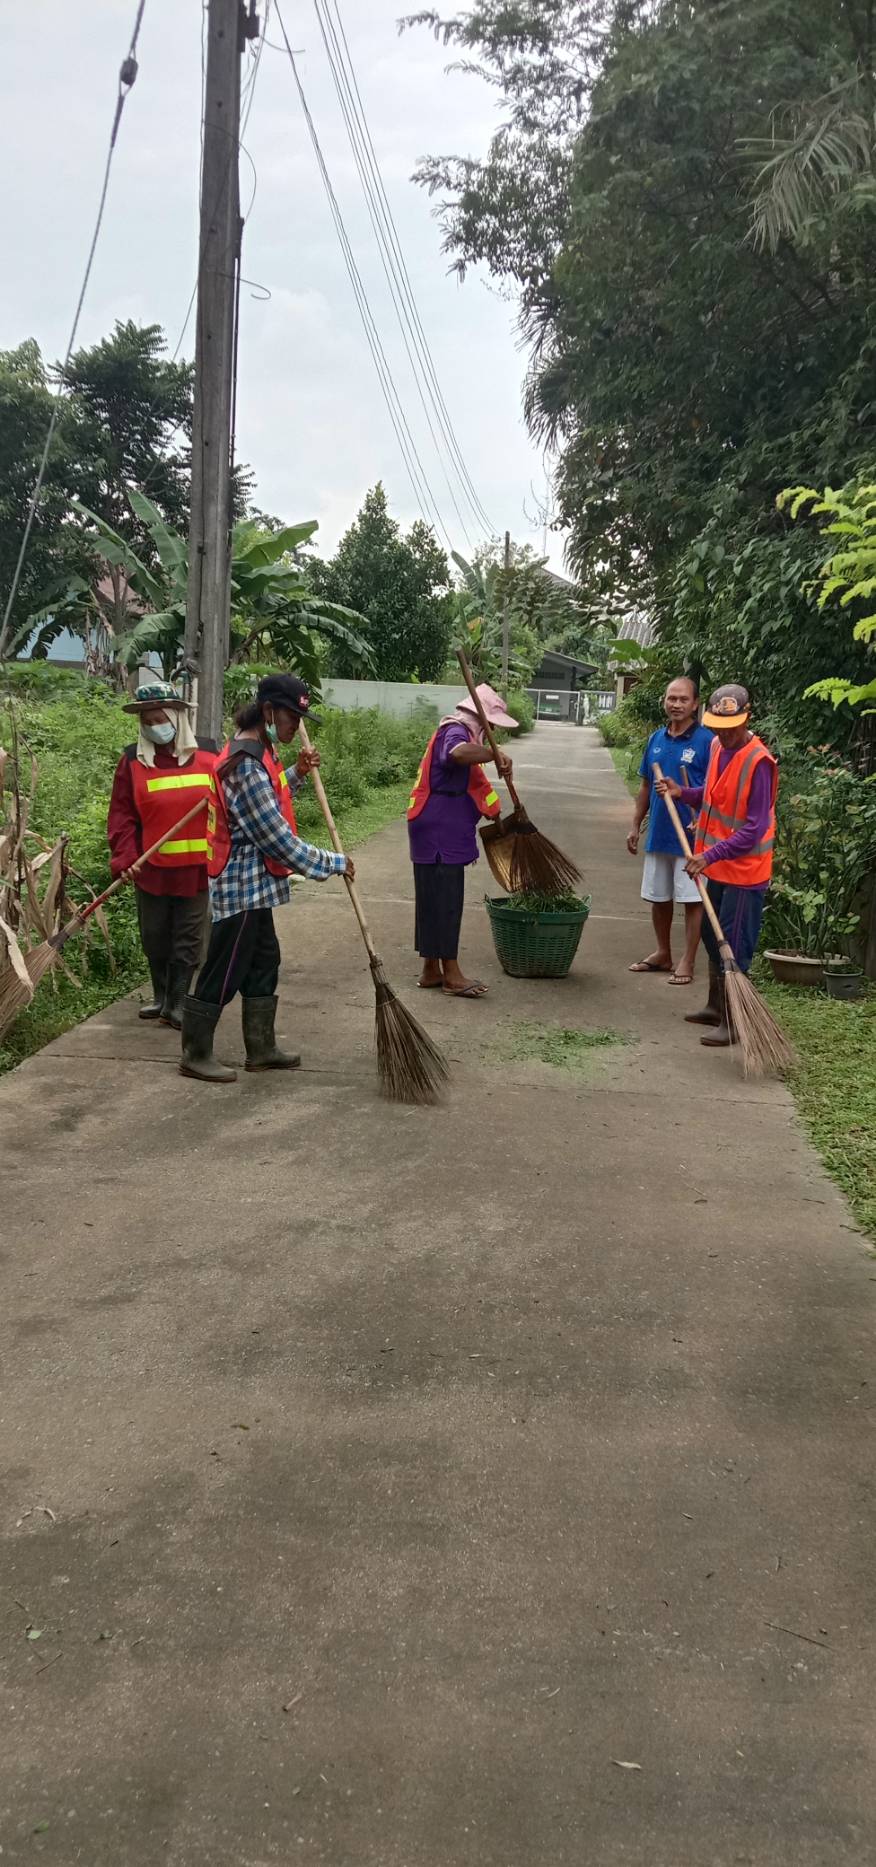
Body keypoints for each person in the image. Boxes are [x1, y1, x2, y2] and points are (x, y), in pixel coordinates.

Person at [180, 673, 354, 1084]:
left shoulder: (259, 751)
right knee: (224, 970)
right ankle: (195, 1052)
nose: (296, 725)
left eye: (299, 717)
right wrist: (334, 862)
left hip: (256, 888)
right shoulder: (245, 764)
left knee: (264, 962)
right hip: (241, 888)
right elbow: (276, 838)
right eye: (291, 716)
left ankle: (261, 1048)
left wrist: (294, 773)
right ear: (269, 711)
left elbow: (270, 797)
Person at [657, 683, 778, 1047]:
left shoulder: (760, 763)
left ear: (747, 718)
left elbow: (755, 828)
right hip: (719, 868)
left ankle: (734, 1020)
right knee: (712, 937)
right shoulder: (714, 746)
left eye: (732, 728)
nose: (725, 735)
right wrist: (683, 793)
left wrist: (708, 855)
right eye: (719, 727)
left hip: (744, 873)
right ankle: (714, 1005)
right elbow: (712, 796)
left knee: (734, 944)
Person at [107, 680, 216, 1030]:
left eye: (160, 718)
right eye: (147, 721)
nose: (155, 726)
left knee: (189, 936)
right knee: (154, 934)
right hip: (150, 867)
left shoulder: (211, 755)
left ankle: (179, 1003)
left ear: (176, 716)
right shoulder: (132, 762)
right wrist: (125, 858)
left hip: (197, 868)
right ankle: (161, 996)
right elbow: (122, 814)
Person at [407, 682, 516, 998]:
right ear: (479, 717)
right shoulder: (455, 730)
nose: (492, 730)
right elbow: (455, 754)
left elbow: (477, 785)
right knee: (446, 898)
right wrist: (495, 753)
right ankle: (451, 974)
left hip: (432, 824)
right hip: (439, 826)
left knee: (432, 896)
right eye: (490, 724)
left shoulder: (456, 730)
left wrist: (495, 812)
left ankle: (431, 969)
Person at [627, 676, 713, 986]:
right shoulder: (656, 739)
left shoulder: (707, 742)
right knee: (659, 897)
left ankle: (687, 960)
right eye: (671, 698)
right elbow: (646, 786)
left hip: (692, 839)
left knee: (692, 900)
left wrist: (699, 812)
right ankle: (663, 953)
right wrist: (636, 825)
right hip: (661, 833)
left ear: (695, 704)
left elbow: (716, 791)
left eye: (683, 699)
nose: (676, 704)